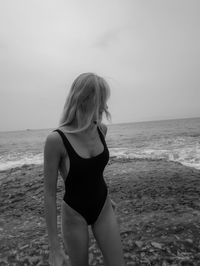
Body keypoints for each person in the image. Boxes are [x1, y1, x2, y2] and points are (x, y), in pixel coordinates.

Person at [43, 73, 125, 266]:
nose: (105, 107)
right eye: (101, 101)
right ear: (83, 99)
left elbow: (94, 171)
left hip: (103, 206)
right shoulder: (56, 140)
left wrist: (105, 196)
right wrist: (54, 248)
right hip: (74, 213)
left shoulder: (101, 130)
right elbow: (49, 194)